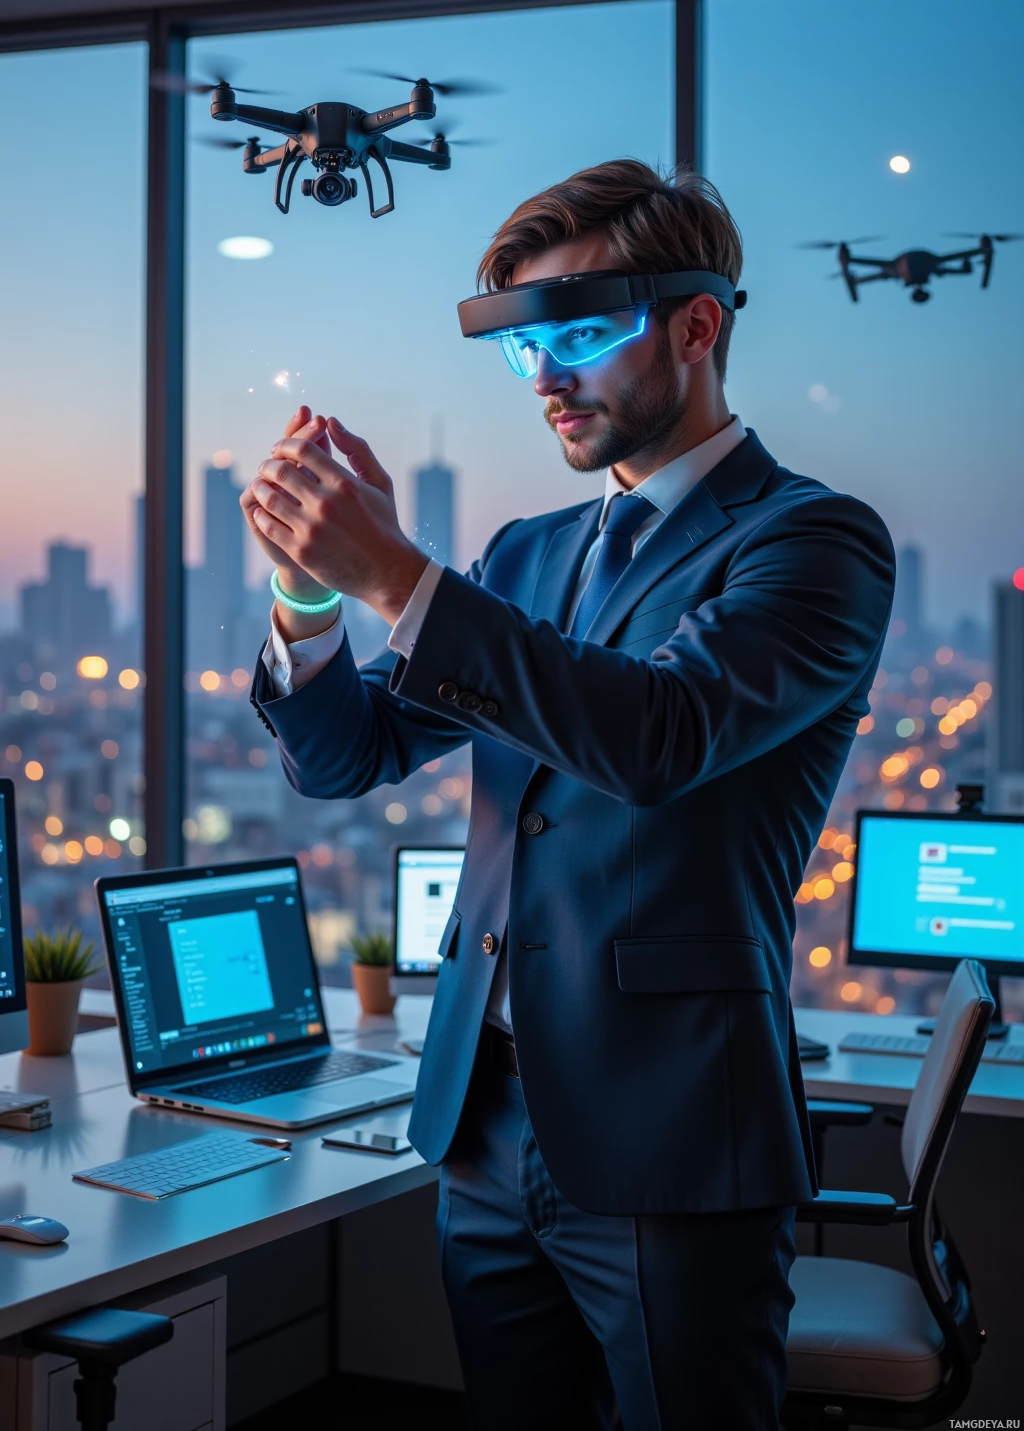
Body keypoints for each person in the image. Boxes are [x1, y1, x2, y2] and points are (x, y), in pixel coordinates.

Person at [242, 160, 896, 1429]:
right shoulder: (529, 555)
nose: (543, 377)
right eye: (522, 348)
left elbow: (660, 736)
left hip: (668, 1134)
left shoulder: (813, 543)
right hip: (482, 1128)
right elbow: (343, 756)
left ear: (696, 328)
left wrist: (399, 576)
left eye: (581, 335)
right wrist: (312, 593)